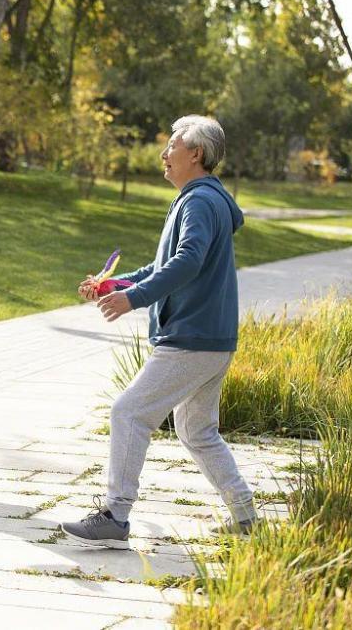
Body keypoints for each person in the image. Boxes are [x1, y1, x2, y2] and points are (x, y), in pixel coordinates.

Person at [62, 115, 257, 549]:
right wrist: (115, 284)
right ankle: (246, 515)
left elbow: (187, 261)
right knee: (197, 430)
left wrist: (135, 299)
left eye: (173, 145)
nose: (164, 154)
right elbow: (163, 265)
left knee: (129, 413)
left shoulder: (200, 202)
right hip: (210, 338)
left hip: (191, 337)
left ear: (197, 154)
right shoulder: (200, 199)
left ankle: (115, 514)